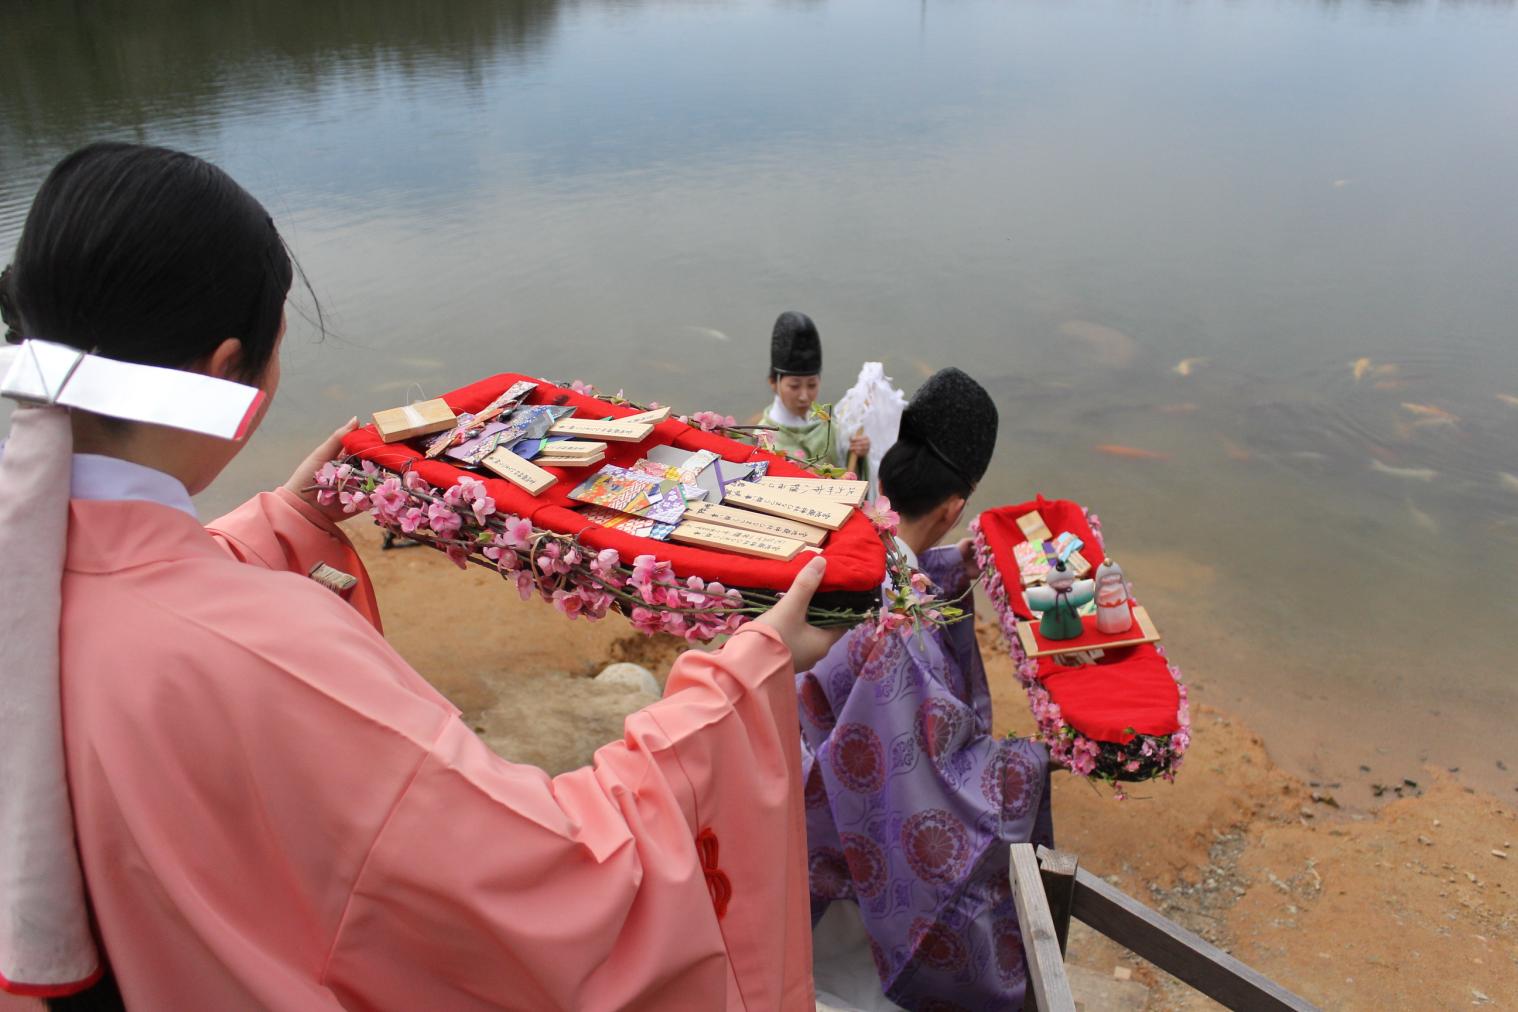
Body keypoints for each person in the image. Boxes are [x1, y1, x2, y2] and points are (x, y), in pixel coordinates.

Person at [0, 143, 839, 1010]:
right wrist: (736, 685)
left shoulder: (27, 576)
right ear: (224, 372)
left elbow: (136, 595)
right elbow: (552, 877)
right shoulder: (274, 653)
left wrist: (279, 528)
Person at [796, 368, 1054, 1011]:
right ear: (954, 508)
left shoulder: (838, 546)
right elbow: (938, 780)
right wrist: (1034, 763)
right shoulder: (902, 638)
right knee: (843, 982)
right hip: (845, 844)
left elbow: (896, 581)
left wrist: (944, 566)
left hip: (789, 798)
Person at [760, 311, 870, 474]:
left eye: (812, 385)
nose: (804, 396)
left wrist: (859, 453)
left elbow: (847, 470)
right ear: (773, 383)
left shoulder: (829, 426)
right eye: (794, 386)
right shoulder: (763, 437)